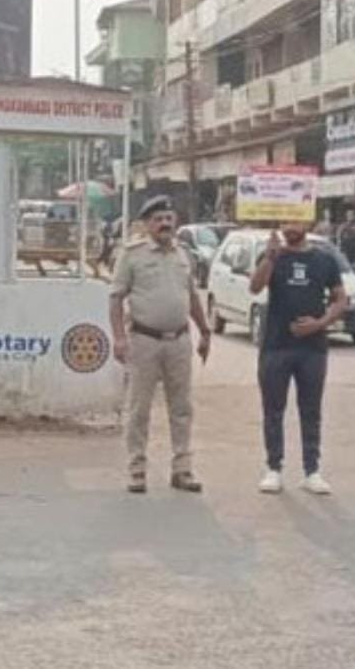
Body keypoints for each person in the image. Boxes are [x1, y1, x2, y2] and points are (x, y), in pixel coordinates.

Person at [109, 195, 211, 494]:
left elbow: (191, 296)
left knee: (182, 408)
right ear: (146, 224)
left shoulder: (183, 254)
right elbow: (116, 298)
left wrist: (205, 330)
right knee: (139, 408)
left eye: (168, 218)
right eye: (158, 220)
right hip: (144, 341)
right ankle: (137, 469)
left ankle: (182, 469)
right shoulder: (132, 255)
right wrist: (119, 338)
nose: (165, 224)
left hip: (178, 341)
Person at [250, 221, 348, 496]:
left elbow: (340, 299)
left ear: (306, 222)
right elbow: (255, 287)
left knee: (311, 409)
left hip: (312, 348)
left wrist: (320, 323)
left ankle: (311, 470)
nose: (290, 227)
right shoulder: (272, 256)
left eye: (295, 221)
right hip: (276, 345)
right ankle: (273, 468)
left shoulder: (324, 259)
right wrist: (270, 258)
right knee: (273, 409)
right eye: (285, 222)